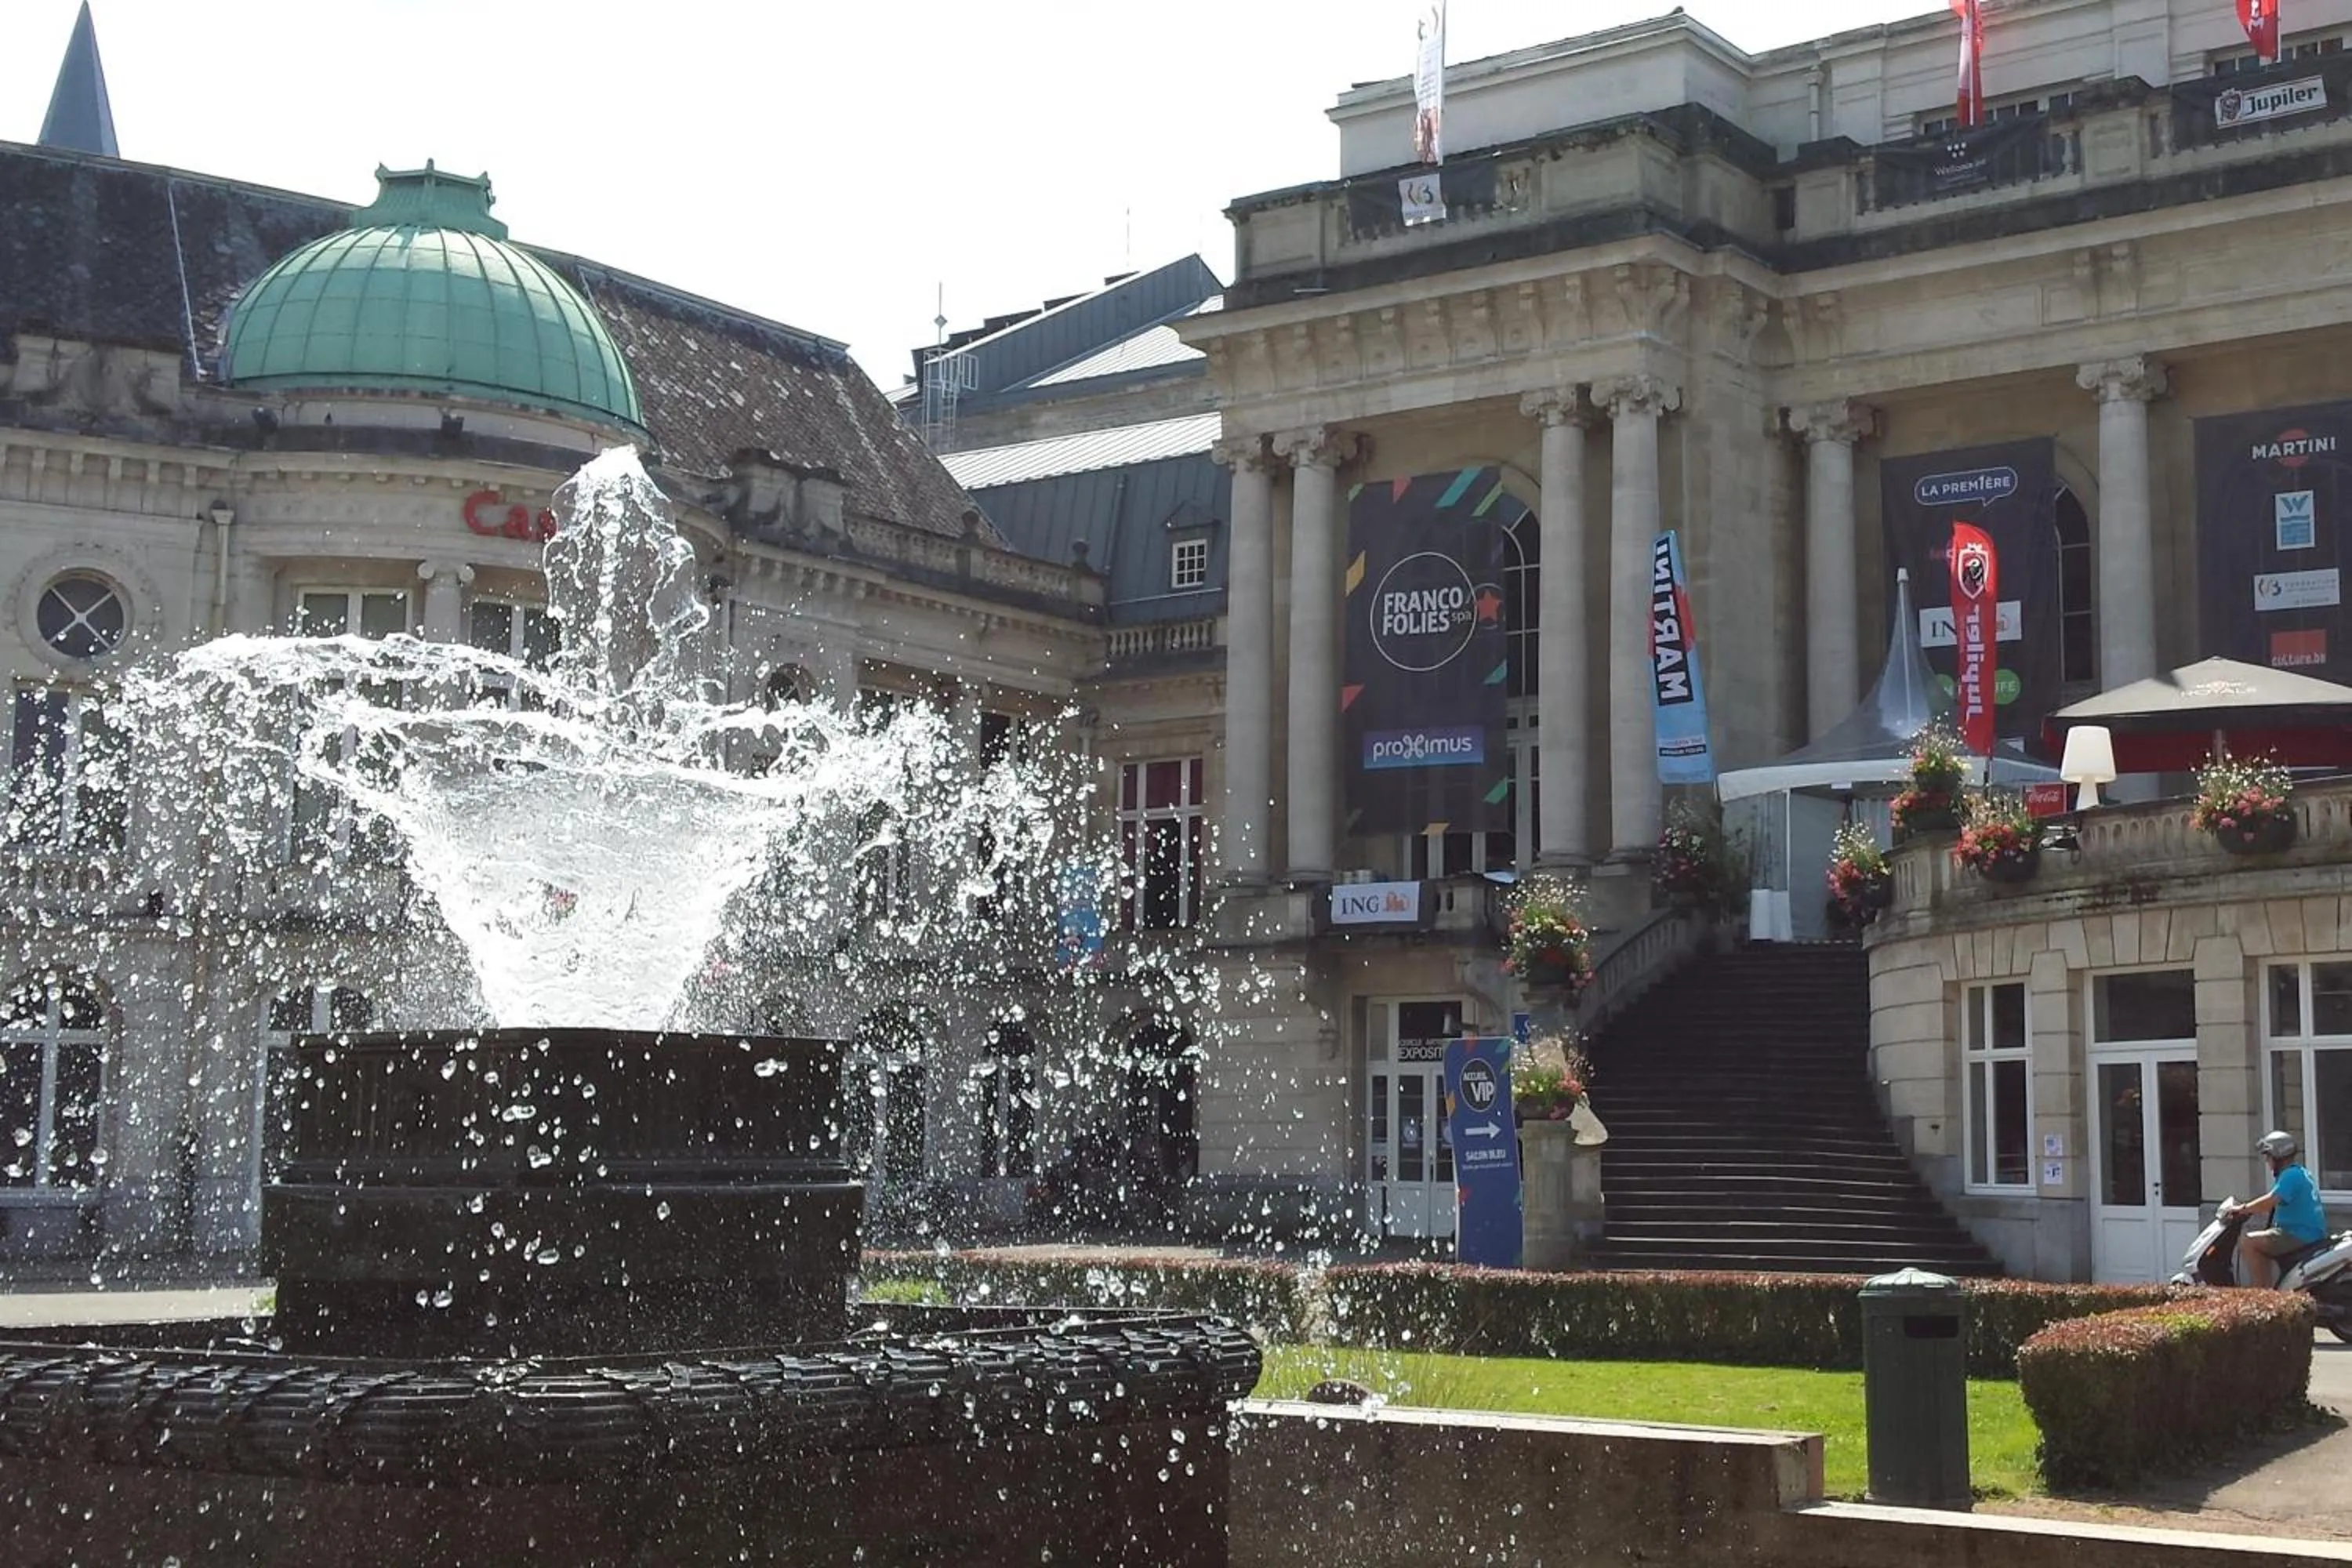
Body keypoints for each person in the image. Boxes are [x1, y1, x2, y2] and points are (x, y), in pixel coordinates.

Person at [2230, 1130, 2328, 1288]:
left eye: (2268, 1156)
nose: (2267, 1161)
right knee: (2263, 1241)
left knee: (2248, 1242)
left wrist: (2242, 1209)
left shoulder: (2290, 1176)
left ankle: (2262, 1291)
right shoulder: (2300, 1172)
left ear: (2278, 1156)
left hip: (2298, 1234)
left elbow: (2270, 1200)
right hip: (2308, 1232)